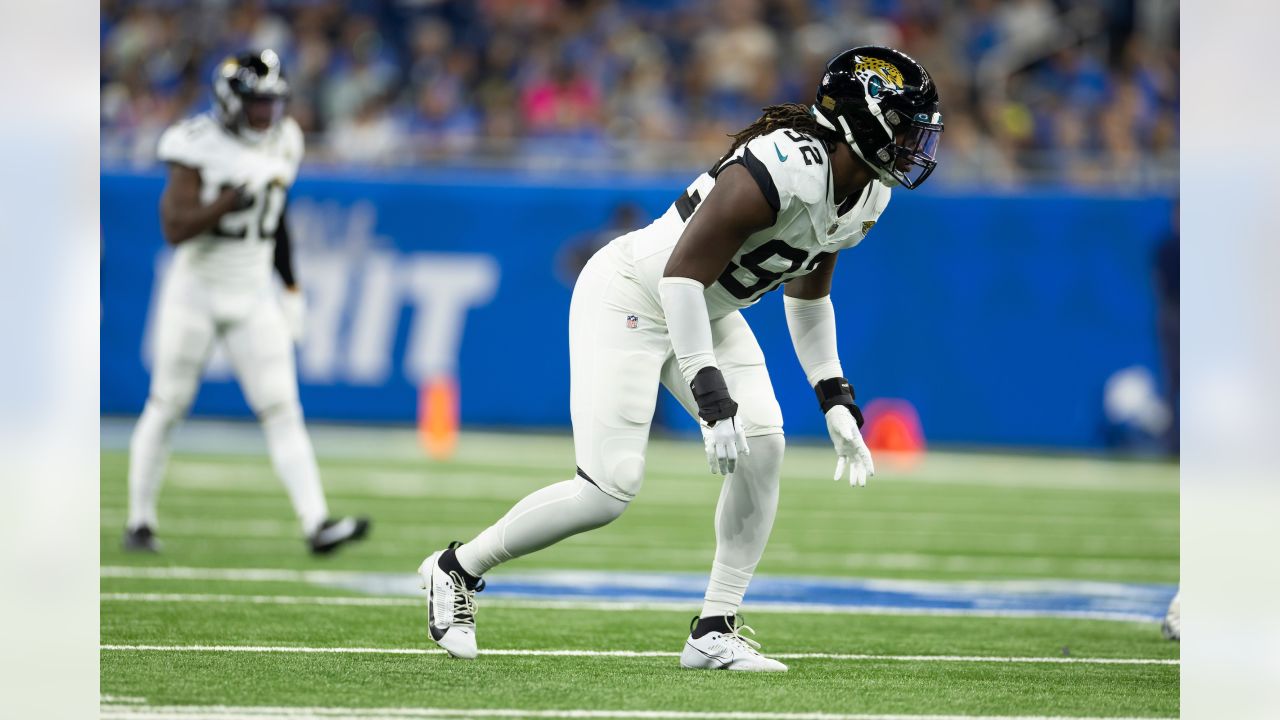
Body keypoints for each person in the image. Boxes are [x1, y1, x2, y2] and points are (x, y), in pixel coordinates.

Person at [418, 46, 943, 670]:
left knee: (764, 443)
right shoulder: (781, 168)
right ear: (864, 120)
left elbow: (808, 294)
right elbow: (680, 277)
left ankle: (715, 626)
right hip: (634, 294)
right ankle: (456, 569)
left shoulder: (866, 195)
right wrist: (711, 394)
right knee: (609, 489)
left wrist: (835, 395)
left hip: (707, 308)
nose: (917, 144)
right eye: (908, 128)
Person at [123, 50, 370, 556]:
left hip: (253, 291)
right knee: (167, 404)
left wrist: (292, 288)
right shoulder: (194, 143)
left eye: (271, 103)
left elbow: (277, 219)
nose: (266, 114)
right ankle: (139, 521)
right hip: (195, 291)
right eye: (257, 104)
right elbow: (174, 228)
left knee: (282, 407)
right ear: (231, 103)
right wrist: (226, 201)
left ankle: (316, 523)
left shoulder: (287, 140)